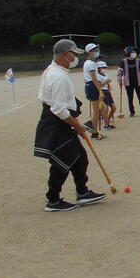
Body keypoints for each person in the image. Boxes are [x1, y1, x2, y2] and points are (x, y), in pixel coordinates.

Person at [34, 39, 105, 212]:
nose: (75, 58)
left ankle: (82, 191)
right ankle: (53, 200)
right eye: (73, 54)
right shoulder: (58, 76)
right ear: (65, 55)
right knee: (63, 160)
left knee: (79, 156)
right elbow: (58, 109)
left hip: (62, 119)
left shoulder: (56, 71)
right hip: (57, 121)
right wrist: (77, 126)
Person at [118, 46, 140, 116]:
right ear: (128, 53)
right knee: (130, 98)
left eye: (134, 52)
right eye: (132, 52)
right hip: (128, 83)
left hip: (138, 82)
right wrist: (119, 79)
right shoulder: (123, 62)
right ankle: (132, 111)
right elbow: (120, 72)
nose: (134, 53)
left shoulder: (138, 61)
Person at [82, 43, 104, 140]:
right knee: (97, 111)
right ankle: (89, 124)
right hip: (92, 85)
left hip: (89, 85)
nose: (96, 51)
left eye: (96, 50)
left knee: (99, 110)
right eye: (94, 50)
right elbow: (94, 79)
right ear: (89, 52)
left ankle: (94, 133)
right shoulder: (91, 63)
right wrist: (100, 92)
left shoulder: (87, 63)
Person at [96, 61, 116, 130]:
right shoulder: (97, 76)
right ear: (98, 68)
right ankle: (106, 124)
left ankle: (106, 120)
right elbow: (98, 85)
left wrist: (109, 86)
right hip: (102, 92)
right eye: (103, 67)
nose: (104, 68)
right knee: (105, 108)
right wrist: (106, 82)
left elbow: (107, 84)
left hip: (107, 92)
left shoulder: (105, 74)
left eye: (105, 67)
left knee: (113, 108)